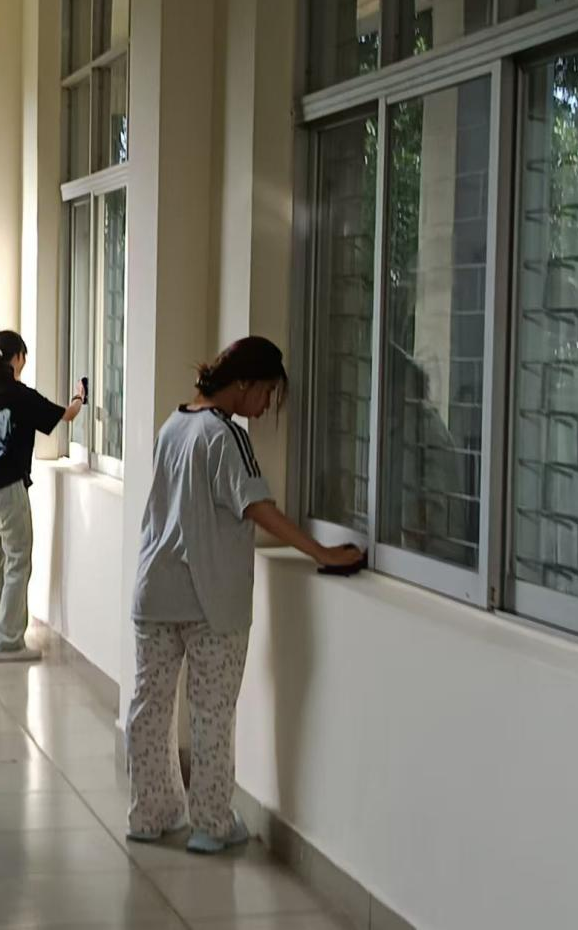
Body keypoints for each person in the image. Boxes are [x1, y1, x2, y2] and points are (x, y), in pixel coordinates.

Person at [126, 336, 363, 853]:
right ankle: (211, 825)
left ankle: (150, 814)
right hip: (211, 602)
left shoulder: (173, 425)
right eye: (267, 393)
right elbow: (258, 507)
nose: (266, 405)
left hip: (155, 590)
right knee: (211, 714)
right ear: (244, 384)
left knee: (149, 707)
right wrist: (321, 552)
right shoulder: (225, 435)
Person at [0, 330, 84, 662]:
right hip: (8, 488)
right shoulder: (20, 395)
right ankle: (8, 641)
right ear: (18, 358)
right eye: (24, 356)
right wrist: (79, 397)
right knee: (18, 560)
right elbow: (66, 415)